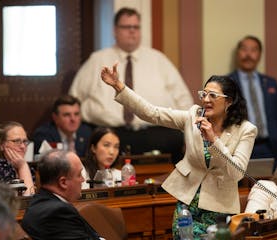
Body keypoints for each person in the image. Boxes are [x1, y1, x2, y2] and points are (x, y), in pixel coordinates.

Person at [101, 63, 257, 238]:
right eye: (203, 94)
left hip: (219, 210)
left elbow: (236, 173)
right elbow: (152, 113)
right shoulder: (193, 116)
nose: (206, 99)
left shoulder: (245, 129)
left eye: (213, 95)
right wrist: (118, 85)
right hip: (187, 206)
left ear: (228, 101)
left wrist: (214, 139)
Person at [69, 7, 193, 164]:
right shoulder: (97, 60)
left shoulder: (159, 60)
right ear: (115, 30)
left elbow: (184, 101)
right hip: (110, 134)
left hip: (157, 134)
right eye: (127, 27)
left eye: (136, 27)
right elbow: (74, 99)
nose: (132, 31)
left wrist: (191, 135)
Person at [228, 35, 277, 171]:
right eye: (244, 49)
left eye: (253, 50)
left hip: (269, 147)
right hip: (239, 147)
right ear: (238, 54)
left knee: (267, 188)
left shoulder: (271, 83)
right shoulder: (227, 83)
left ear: (259, 55)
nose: (248, 54)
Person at [21, 149, 101, 240]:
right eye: (79, 175)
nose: (83, 180)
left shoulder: (39, 202)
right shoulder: (57, 212)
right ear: (63, 182)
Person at [0, 121, 35, 196]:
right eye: (16, 141)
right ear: (1, 145)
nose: (23, 146)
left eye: (25, 141)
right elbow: (26, 201)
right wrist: (23, 166)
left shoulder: (29, 168)